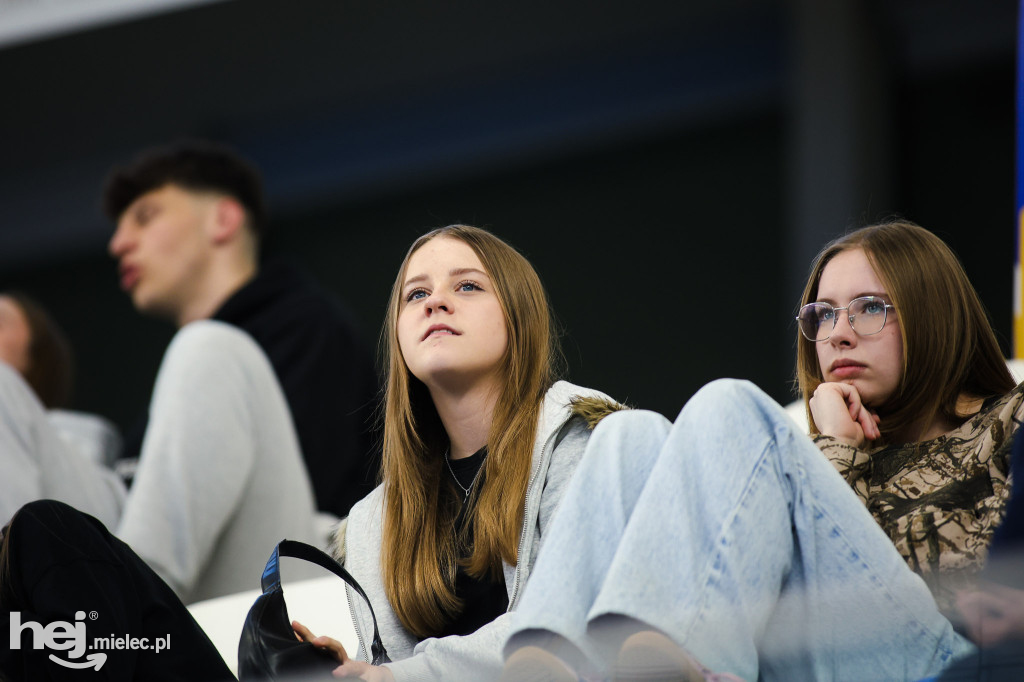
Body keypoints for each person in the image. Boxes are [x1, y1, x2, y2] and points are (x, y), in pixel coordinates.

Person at [0, 224, 624, 680]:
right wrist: (343, 669)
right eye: (415, 294)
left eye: (467, 286)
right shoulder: (378, 522)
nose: (435, 301)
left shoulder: (587, 446)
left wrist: (387, 679)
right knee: (42, 532)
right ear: (399, 337)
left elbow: (563, 638)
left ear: (520, 316)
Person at [500, 220, 1023, 682]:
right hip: (814, 654)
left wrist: (838, 452)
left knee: (729, 403)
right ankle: (550, 656)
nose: (838, 334)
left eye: (869, 309)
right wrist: (837, 450)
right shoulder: (818, 455)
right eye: (822, 315)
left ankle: (691, 664)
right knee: (625, 436)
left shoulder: (1013, 416)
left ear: (931, 313)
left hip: (953, 659)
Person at [104, 140, 379, 518]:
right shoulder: (173, 385)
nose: (118, 244)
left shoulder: (308, 330)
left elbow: (296, 505)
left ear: (223, 220)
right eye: (118, 229)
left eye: (145, 216)